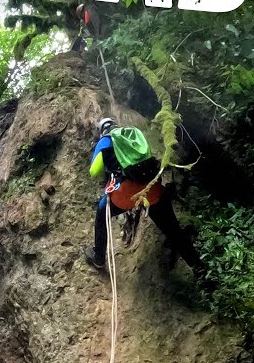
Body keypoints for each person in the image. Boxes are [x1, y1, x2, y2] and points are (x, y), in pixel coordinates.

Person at [84, 117, 204, 277]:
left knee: (101, 213)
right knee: (173, 230)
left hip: (125, 195)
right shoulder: (133, 134)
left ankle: (98, 257)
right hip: (151, 189)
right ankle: (199, 269)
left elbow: (94, 171)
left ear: (102, 131)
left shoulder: (105, 141)